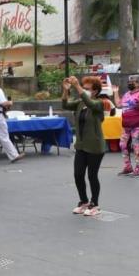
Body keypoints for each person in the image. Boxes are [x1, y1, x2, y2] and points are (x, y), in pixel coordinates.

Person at [62, 76, 106, 216]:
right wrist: (65, 90)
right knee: (78, 175)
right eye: (84, 88)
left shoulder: (99, 103)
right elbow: (65, 105)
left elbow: (90, 103)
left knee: (92, 175)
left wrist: (77, 86)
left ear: (95, 91)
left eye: (87, 89)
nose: (84, 91)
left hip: (95, 146)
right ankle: (83, 201)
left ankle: (95, 203)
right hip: (81, 145)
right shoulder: (80, 103)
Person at [113, 75, 139, 177]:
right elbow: (119, 105)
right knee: (122, 145)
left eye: (134, 82)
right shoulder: (127, 94)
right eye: (130, 81)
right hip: (126, 124)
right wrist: (115, 92)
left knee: (136, 146)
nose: (131, 83)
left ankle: (138, 169)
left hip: (136, 124)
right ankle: (128, 167)